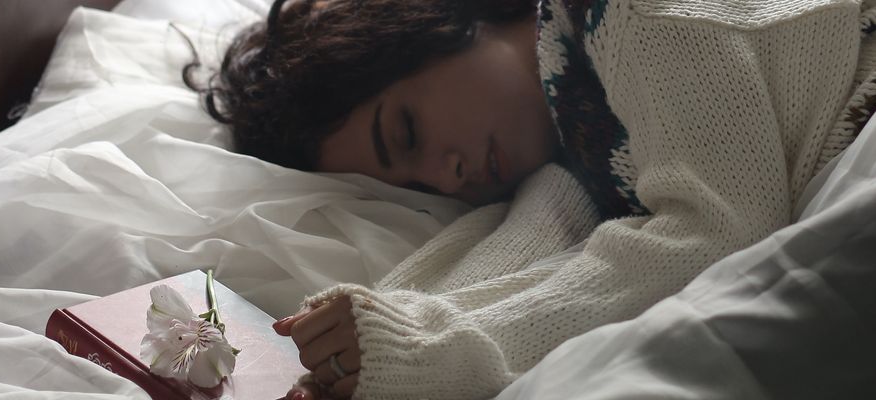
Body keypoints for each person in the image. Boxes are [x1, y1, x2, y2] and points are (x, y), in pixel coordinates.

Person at [191, 0, 876, 398]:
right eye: (420, 187)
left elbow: (716, 230)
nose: (449, 175)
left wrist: (435, 348)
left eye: (407, 131)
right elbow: (530, 242)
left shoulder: (632, 18)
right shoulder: (574, 134)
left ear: (436, 22)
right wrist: (376, 329)